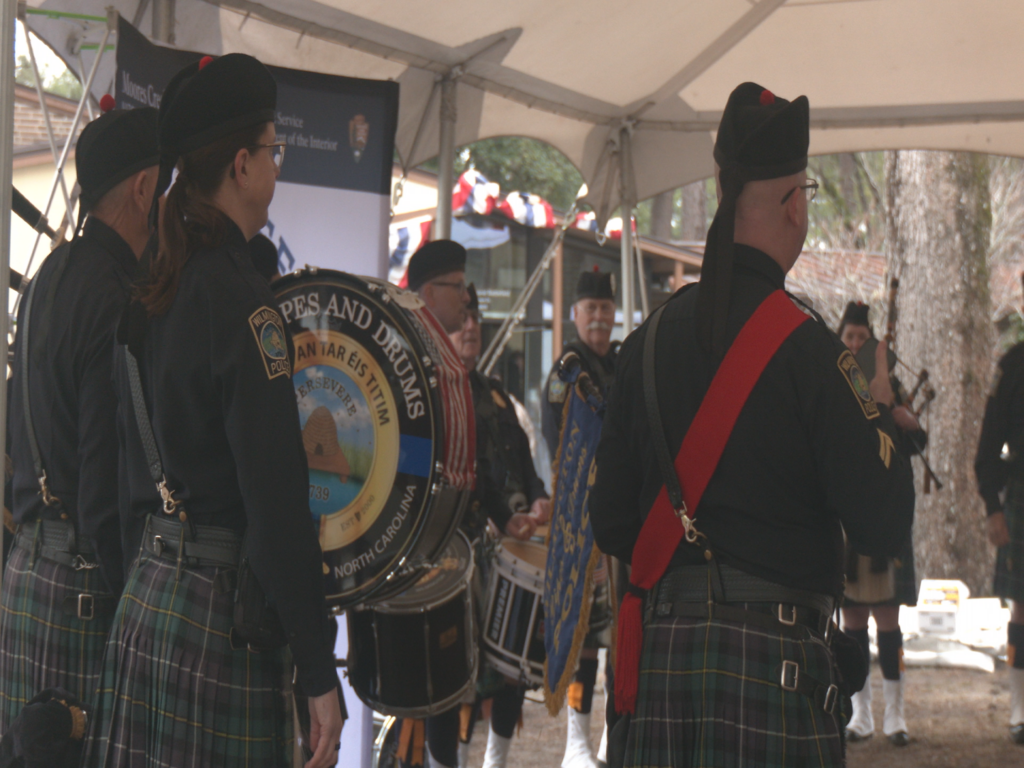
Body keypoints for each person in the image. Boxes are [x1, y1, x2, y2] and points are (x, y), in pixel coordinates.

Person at [590, 82, 915, 767]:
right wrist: (882, 413)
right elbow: (883, 523)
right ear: (794, 204)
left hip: (661, 675)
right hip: (775, 671)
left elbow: (613, 523)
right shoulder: (813, 353)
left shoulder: (646, 342)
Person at [82, 54, 343, 768]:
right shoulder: (243, 304)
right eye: (273, 150)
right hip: (218, 625)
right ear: (240, 165)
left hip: (149, 602)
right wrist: (319, 674)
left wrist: (140, 580)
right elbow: (276, 501)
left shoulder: (153, 286)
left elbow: (116, 472)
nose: (276, 166)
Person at [0, 102, 159, 731]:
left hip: (25, 573)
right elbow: (103, 487)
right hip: (85, 589)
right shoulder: (118, 298)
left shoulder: (44, 278)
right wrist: (135, 609)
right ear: (145, 188)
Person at [401, 245, 537, 768]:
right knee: (438, 676)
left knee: (479, 668)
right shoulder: (407, 361)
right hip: (421, 548)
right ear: (429, 294)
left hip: (463, 542)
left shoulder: (457, 373)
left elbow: (474, 465)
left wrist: (506, 517)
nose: (466, 296)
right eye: (457, 285)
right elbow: (401, 457)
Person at [448, 285, 550, 768]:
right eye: (461, 319)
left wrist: (539, 498)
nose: (471, 327)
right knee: (456, 674)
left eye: (476, 319)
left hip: (505, 550)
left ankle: (495, 762)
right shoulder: (436, 393)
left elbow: (526, 463)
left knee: (511, 669)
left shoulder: (496, 395)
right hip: (453, 554)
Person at [836, 301, 927, 746]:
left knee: (887, 620)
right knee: (852, 621)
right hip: (849, 517)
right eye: (849, 336)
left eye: (860, 338)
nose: (854, 343)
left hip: (887, 513)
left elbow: (917, 441)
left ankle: (895, 714)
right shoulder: (833, 386)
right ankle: (860, 715)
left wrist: (905, 421)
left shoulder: (891, 383)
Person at [542, 268, 618, 768]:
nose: (598, 316)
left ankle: (615, 733)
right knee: (585, 637)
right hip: (582, 521)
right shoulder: (566, 371)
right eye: (590, 308)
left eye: (605, 309)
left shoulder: (622, 362)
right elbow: (558, 443)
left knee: (621, 634)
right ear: (574, 314)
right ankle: (577, 741)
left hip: (622, 522)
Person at [975, 283, 1024, 745]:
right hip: (1022, 494)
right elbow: (988, 445)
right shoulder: (1011, 367)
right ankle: (1020, 707)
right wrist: (993, 506)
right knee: (1023, 610)